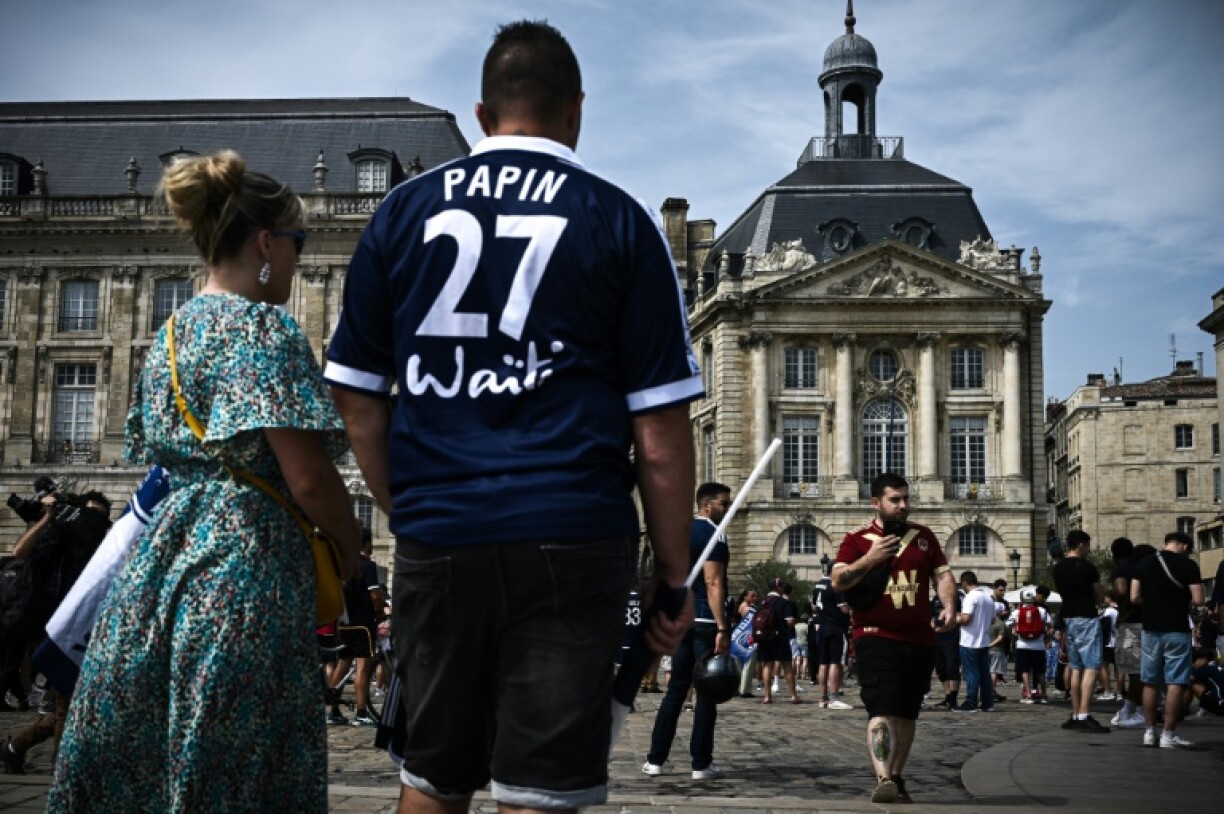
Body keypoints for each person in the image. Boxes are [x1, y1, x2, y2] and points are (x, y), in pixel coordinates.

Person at [323, 21, 698, 813]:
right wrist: (672, 575)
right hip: (572, 526)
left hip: (440, 531)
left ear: (483, 115)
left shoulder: (401, 214)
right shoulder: (621, 220)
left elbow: (356, 391)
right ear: (577, 111)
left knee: (430, 775)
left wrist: (407, 504)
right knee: (539, 788)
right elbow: (660, 437)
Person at [46, 151, 363, 813]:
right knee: (236, 756)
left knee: (155, 751)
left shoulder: (168, 334)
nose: (300, 260)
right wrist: (351, 547)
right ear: (266, 243)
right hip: (241, 564)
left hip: (161, 563)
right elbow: (307, 477)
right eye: (298, 243)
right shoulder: (263, 329)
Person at [832, 472, 956, 805]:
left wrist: (948, 606)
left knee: (906, 713)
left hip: (919, 639)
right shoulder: (856, 539)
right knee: (882, 710)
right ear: (877, 503)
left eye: (905, 499)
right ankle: (883, 777)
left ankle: (897, 776)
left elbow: (943, 576)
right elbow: (838, 581)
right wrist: (872, 558)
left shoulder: (924, 537)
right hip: (875, 636)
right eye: (895, 500)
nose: (903, 506)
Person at [0, 490, 111, 774]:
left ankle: (17, 747)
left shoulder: (102, 544)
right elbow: (19, 553)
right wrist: (47, 518)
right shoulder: (58, 534)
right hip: (57, 627)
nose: (92, 520)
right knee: (68, 699)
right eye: (89, 512)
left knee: (74, 702)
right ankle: (62, 772)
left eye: (99, 516)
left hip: (90, 627)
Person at [643, 483, 731, 781]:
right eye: (723, 503)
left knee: (676, 691)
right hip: (705, 622)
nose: (728, 508)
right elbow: (713, 583)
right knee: (706, 692)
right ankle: (700, 763)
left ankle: (656, 760)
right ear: (706, 505)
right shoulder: (713, 534)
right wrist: (722, 626)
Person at [1131, 531, 1203, 748]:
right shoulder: (1188, 565)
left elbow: (1134, 597)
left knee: (1150, 681)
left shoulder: (1144, 563)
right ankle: (1168, 735)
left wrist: (1153, 602)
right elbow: (1199, 599)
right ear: (1184, 546)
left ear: (1165, 543)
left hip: (1150, 628)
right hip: (1177, 629)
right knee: (1175, 682)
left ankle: (1149, 732)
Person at [1051, 529, 1109, 733]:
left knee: (1075, 667)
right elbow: (1100, 594)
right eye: (1088, 546)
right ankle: (1085, 714)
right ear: (1081, 544)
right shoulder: (1087, 567)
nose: (1089, 550)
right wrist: (1100, 598)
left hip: (1068, 617)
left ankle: (1075, 713)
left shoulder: (1057, 568)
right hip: (1086, 616)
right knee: (1092, 666)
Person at [331, 528, 386, 727]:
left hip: (343, 623)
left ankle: (333, 709)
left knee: (343, 664)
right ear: (365, 543)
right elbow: (375, 596)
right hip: (363, 623)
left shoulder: (341, 565)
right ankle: (361, 712)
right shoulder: (367, 566)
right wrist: (380, 611)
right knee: (363, 666)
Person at [1108, 538, 1149, 728]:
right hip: (1146, 622)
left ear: (1114, 554)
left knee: (1134, 670)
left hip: (1130, 624)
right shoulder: (1141, 568)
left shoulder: (1121, 569)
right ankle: (1132, 708)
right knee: (1140, 669)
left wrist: (1114, 594)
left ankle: (1138, 711)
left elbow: (1121, 589)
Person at [810, 562, 853, 709]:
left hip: (822, 627)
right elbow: (845, 610)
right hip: (836, 627)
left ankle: (823, 698)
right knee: (836, 662)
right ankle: (834, 698)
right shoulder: (837, 586)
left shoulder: (818, 585)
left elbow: (814, 607)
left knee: (823, 663)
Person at [955, 571, 997, 712]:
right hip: (984, 641)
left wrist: (957, 618)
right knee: (984, 673)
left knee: (971, 673)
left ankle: (971, 702)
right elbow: (992, 620)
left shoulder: (970, 597)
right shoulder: (988, 598)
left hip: (969, 641)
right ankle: (987, 703)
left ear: (964, 583)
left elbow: (966, 619)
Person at [758, 578, 800, 704]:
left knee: (767, 666)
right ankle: (793, 695)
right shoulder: (783, 602)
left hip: (764, 637)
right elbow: (789, 621)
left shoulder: (762, 602)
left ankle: (767, 696)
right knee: (787, 665)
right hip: (780, 637)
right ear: (779, 588)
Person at [1007, 588, 1052, 704]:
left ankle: (1028, 695)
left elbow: (1007, 624)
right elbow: (1050, 624)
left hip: (1022, 645)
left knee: (1025, 671)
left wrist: (1014, 630)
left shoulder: (1017, 612)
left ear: (1022, 599)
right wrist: (1047, 637)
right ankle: (1044, 695)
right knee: (1040, 671)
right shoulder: (1041, 610)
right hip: (1038, 646)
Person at [930, 585, 962, 710]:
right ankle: (947, 696)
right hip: (937, 637)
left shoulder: (956, 598)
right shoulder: (935, 599)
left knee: (952, 668)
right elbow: (932, 617)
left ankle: (953, 698)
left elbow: (959, 616)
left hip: (951, 638)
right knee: (941, 669)